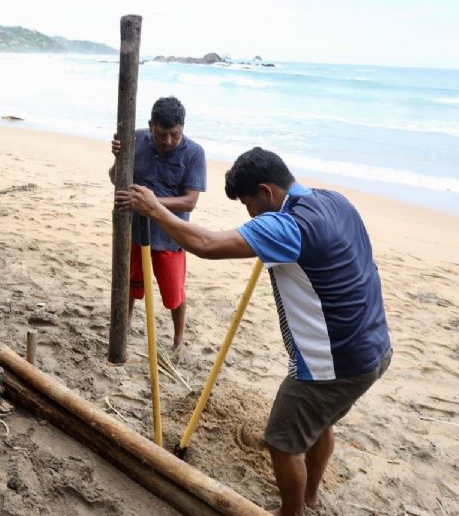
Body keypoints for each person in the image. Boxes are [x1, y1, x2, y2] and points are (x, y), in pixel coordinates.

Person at [114, 147, 392, 516]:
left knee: (282, 441)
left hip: (333, 363)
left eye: (248, 203)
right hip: (375, 346)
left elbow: (205, 244)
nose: (249, 214)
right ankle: (309, 497)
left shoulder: (288, 225)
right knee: (317, 422)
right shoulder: (333, 200)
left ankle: (289, 513)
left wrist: (155, 209)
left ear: (267, 191)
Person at [109, 96, 206, 354]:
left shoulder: (194, 153)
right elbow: (113, 178)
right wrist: (118, 157)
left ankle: (178, 340)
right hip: (133, 230)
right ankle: (125, 324)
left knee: (174, 291)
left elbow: (189, 201)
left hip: (170, 235)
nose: (168, 141)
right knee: (131, 281)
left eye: (175, 135)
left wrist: (150, 203)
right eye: (162, 134)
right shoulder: (135, 139)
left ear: (182, 128)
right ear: (151, 125)